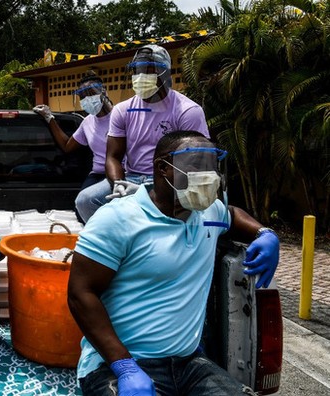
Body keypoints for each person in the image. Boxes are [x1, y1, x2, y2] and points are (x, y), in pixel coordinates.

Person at [68, 130, 279, 396]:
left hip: (189, 362)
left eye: (211, 168)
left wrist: (265, 234)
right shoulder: (118, 218)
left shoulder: (208, 212)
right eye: (195, 167)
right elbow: (80, 293)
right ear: (162, 168)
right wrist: (123, 366)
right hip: (119, 363)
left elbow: (232, 214)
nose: (207, 177)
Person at [75, 44, 210, 223]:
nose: (140, 77)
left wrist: (151, 190)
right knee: (85, 200)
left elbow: (197, 162)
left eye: (148, 71)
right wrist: (118, 184)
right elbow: (113, 157)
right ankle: (115, 245)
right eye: (137, 71)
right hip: (130, 177)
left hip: (168, 180)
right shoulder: (123, 110)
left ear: (165, 74)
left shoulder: (187, 111)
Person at [33, 71, 113, 222]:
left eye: (91, 94)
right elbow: (67, 146)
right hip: (98, 174)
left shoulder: (121, 115)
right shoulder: (87, 122)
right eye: (82, 97)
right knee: (81, 208)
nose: (87, 99)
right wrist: (49, 118)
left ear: (103, 91)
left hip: (122, 174)